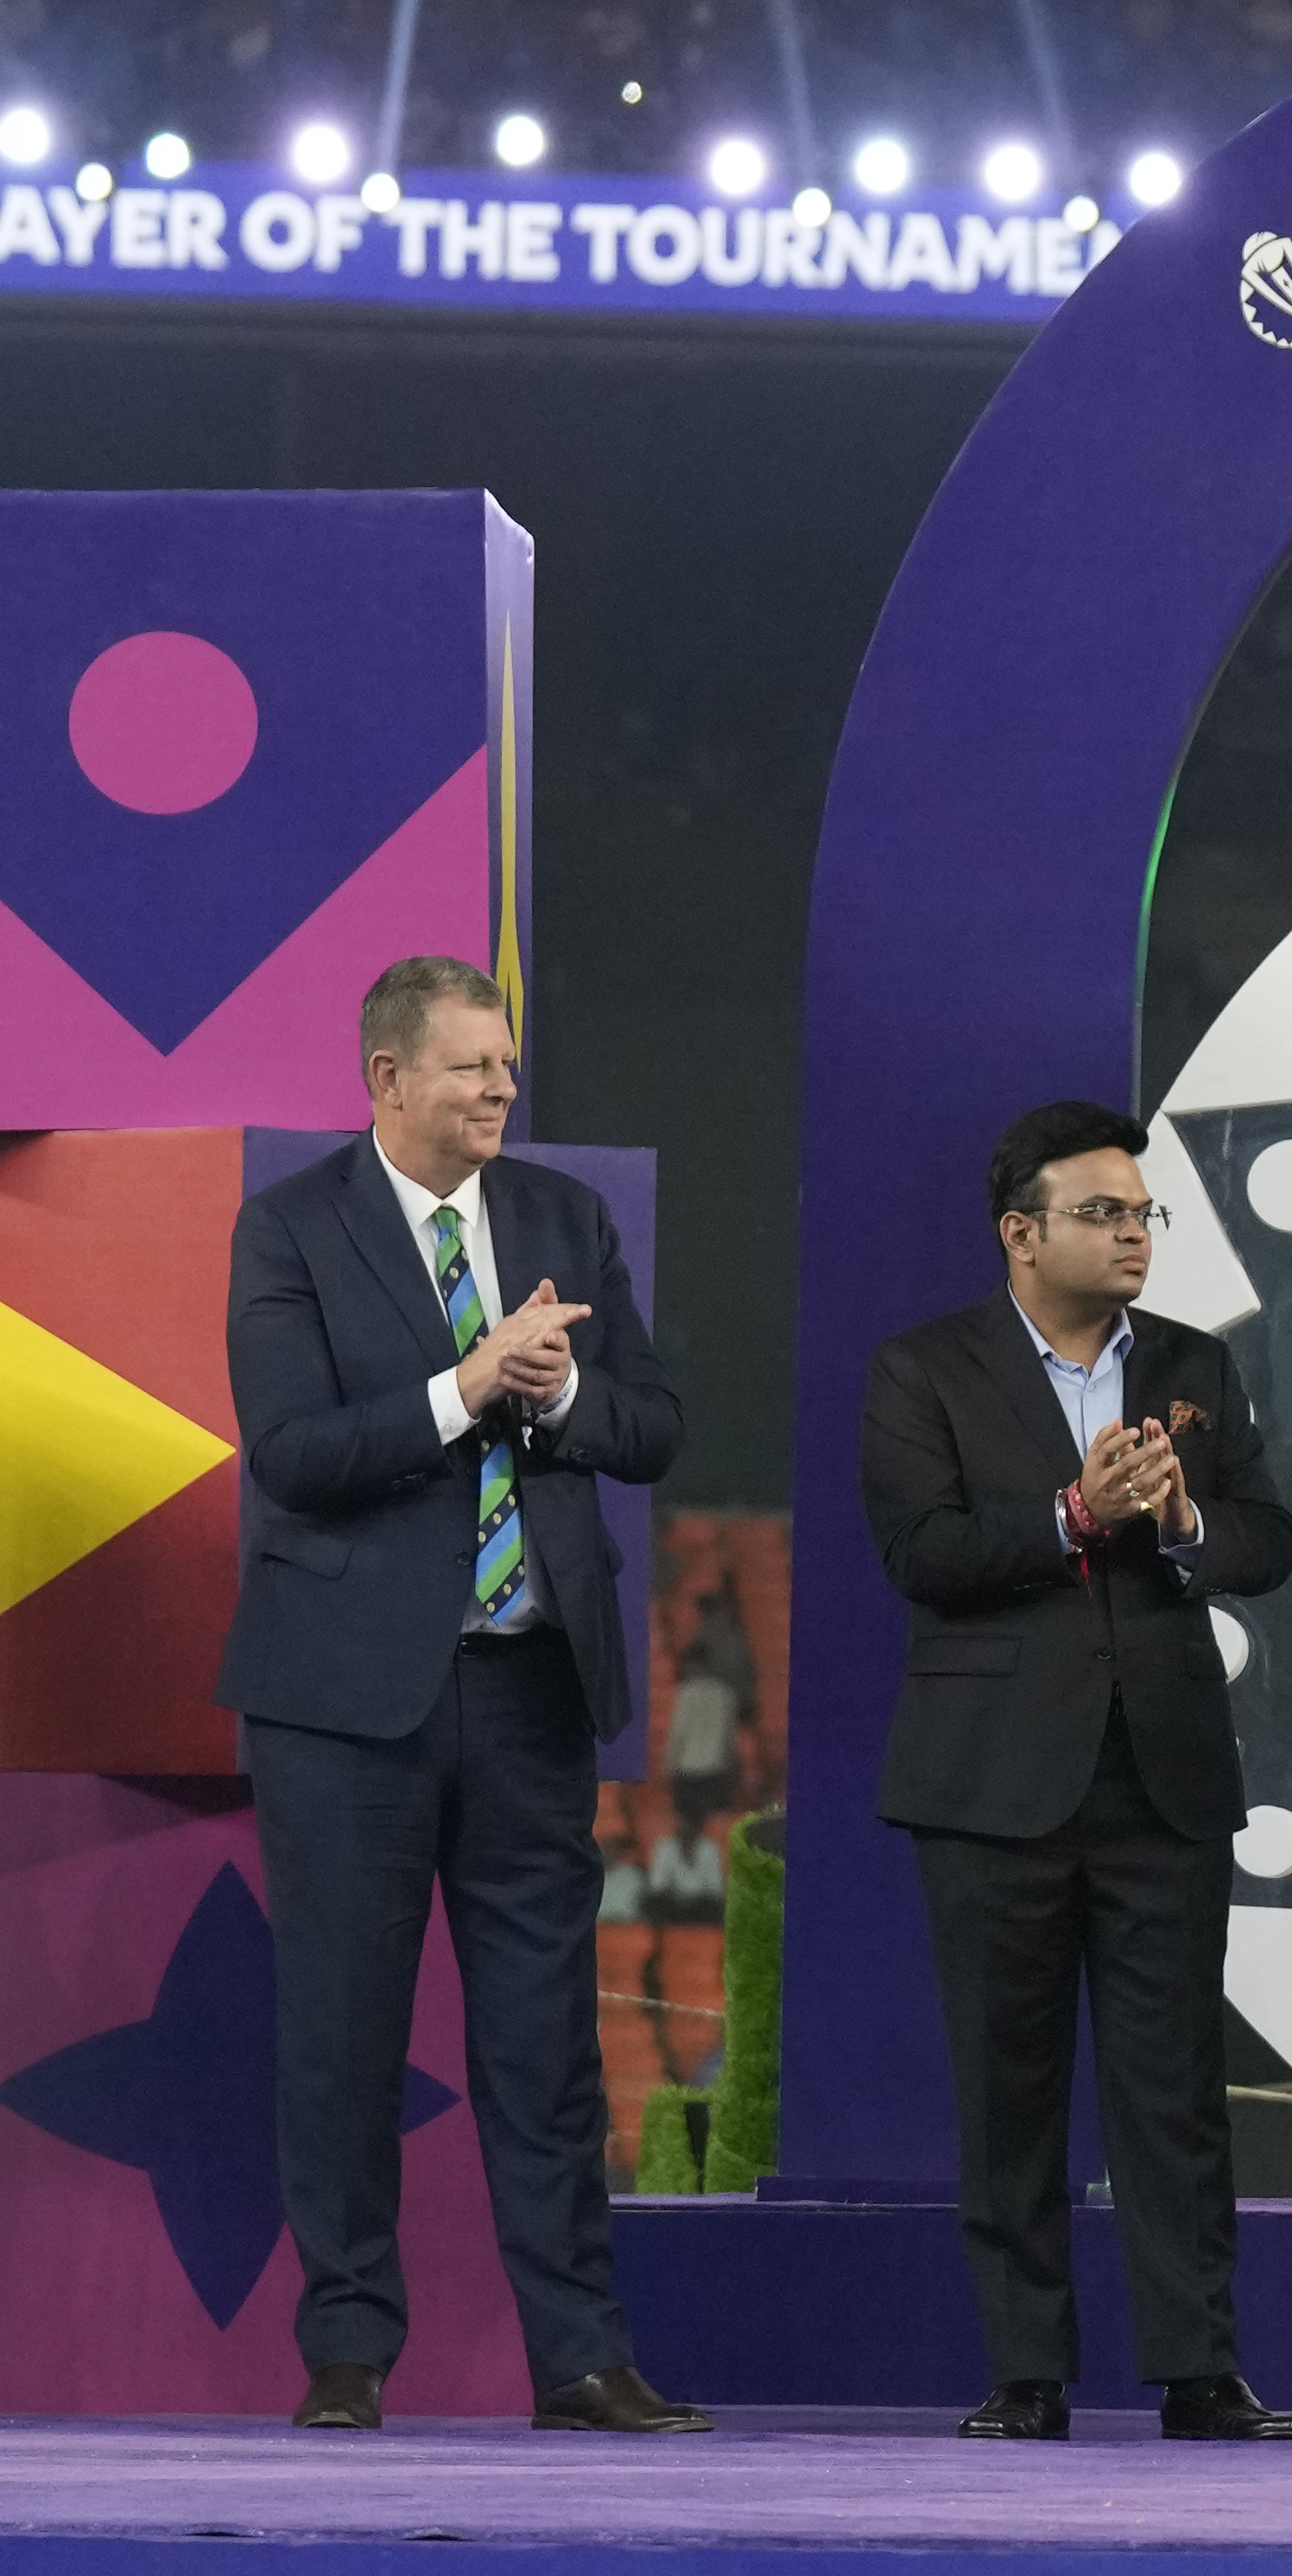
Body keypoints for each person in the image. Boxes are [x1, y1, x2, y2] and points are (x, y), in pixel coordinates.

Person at [219, 954, 703, 2436]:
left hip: (529, 1687)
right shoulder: (291, 1228)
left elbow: (656, 1427)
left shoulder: (566, 1219)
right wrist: (470, 1385)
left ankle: (579, 2358)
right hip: (344, 1702)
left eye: (506, 1066)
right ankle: (349, 2352)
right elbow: (295, 1452)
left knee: (545, 2040)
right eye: (471, 1067)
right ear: (386, 1079)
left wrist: (557, 1395)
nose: (502, 1090)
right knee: (344, 2030)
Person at [859, 1101, 1292, 2443]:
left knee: (1173, 2092)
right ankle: (1027, 2372)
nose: (1133, 1235)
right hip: (990, 1780)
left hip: (1161, 1775)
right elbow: (922, 1555)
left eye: (1142, 1214)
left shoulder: (1194, 1366)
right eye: (1104, 1213)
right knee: (1009, 2091)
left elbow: (1269, 1543)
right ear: (1021, 1232)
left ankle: (1199, 2369)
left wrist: (1181, 1523)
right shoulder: (922, 1369)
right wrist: (1070, 1514)